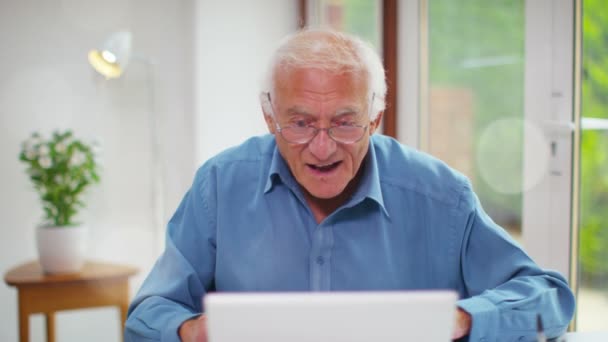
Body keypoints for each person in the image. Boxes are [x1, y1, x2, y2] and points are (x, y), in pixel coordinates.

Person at [125, 28, 575, 342]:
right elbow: (146, 317)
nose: (322, 148)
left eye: (345, 122)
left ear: (375, 117)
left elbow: (550, 299)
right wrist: (190, 331)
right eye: (300, 123)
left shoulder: (441, 196)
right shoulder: (220, 186)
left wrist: (461, 320)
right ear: (270, 117)